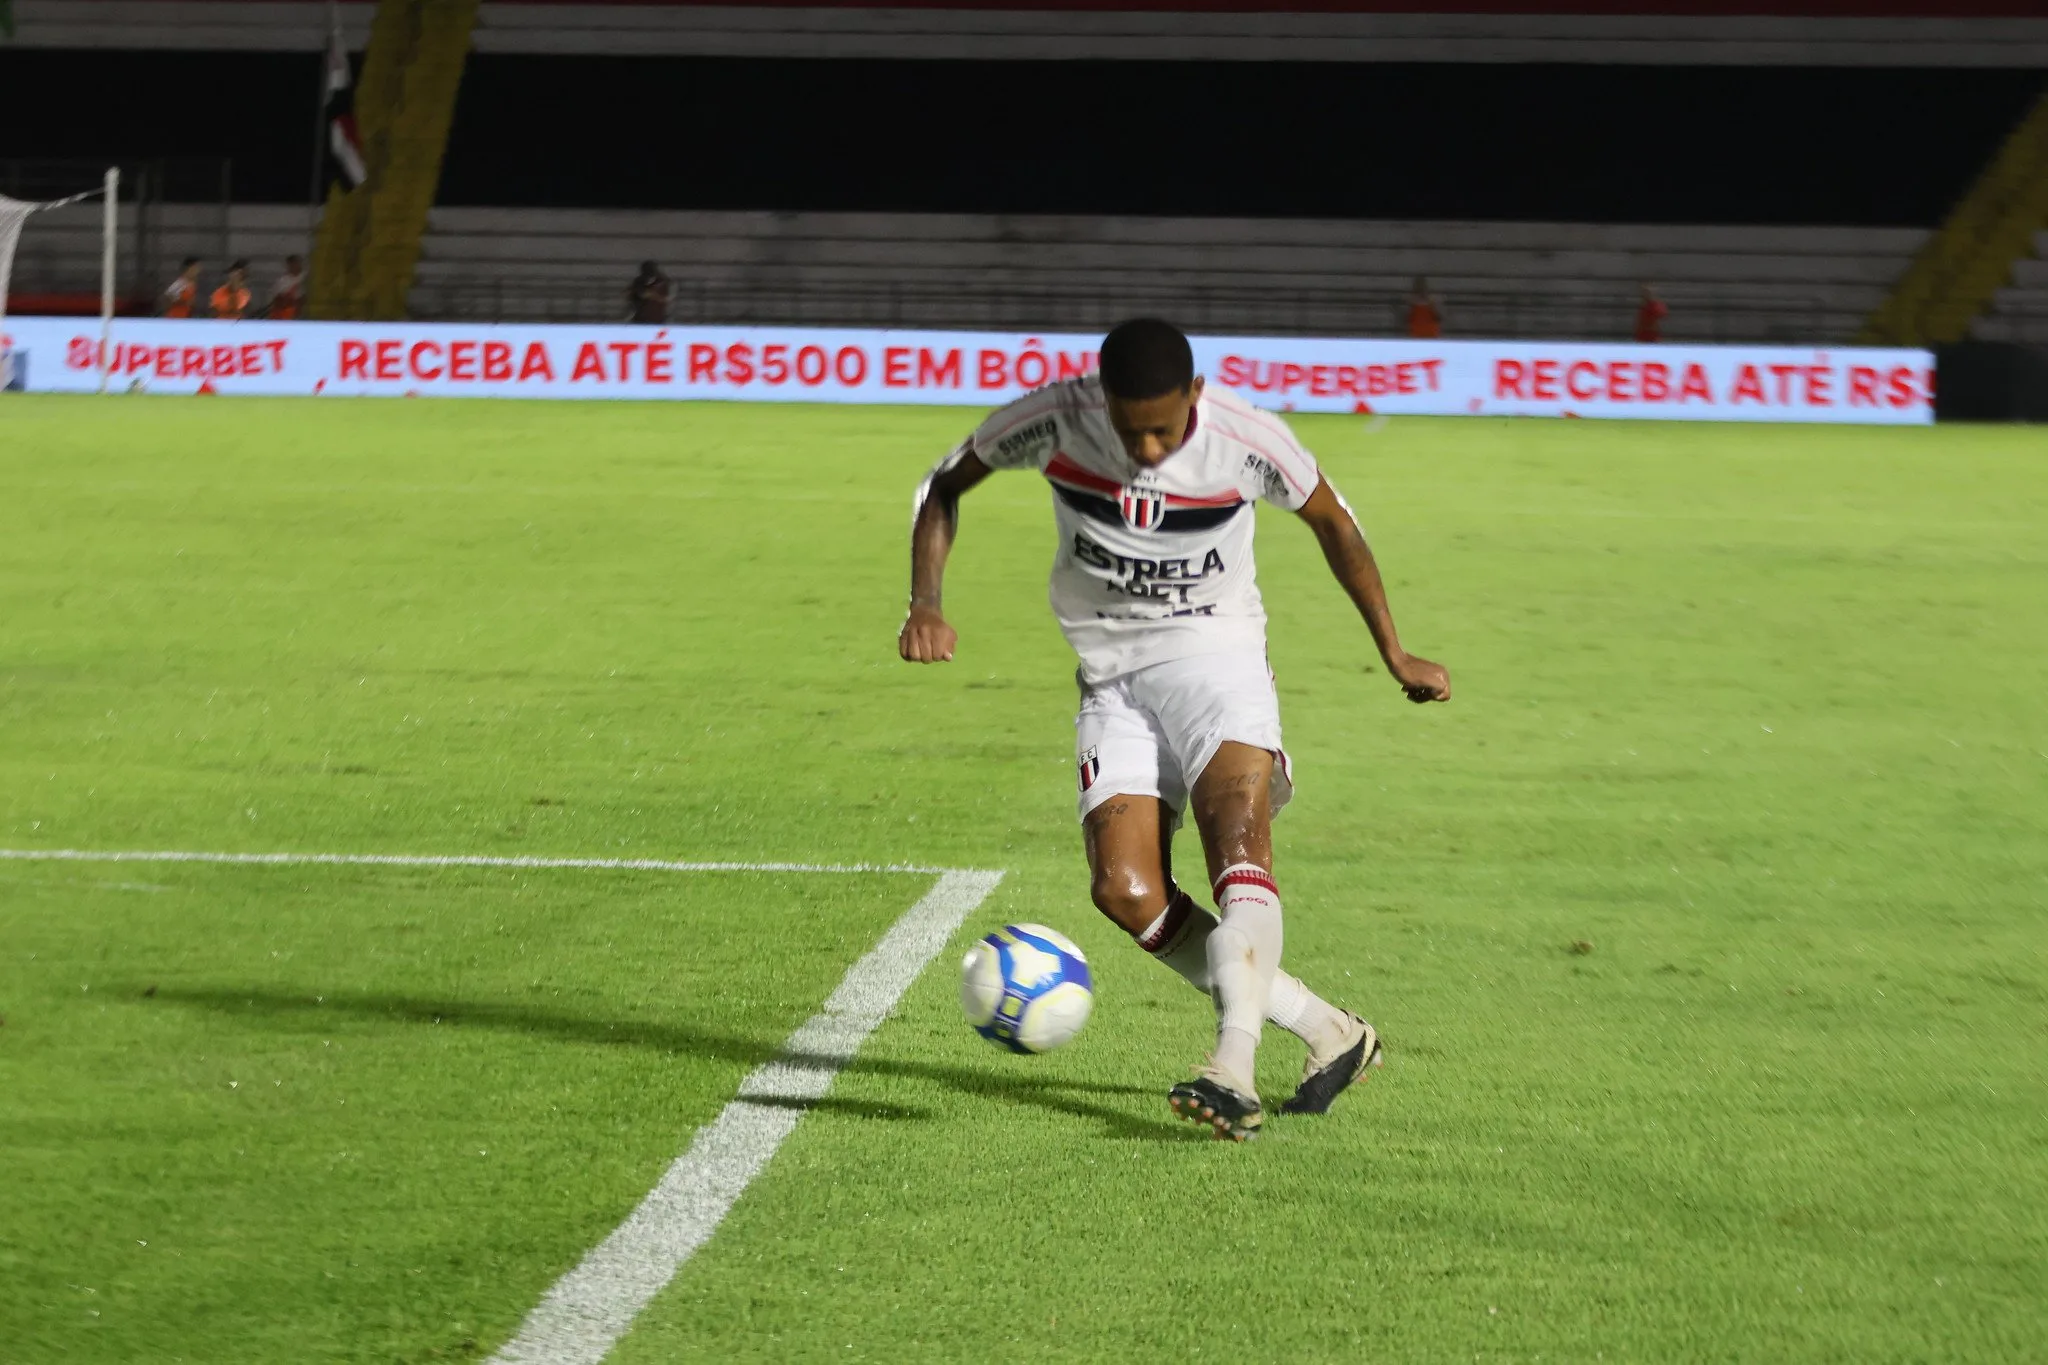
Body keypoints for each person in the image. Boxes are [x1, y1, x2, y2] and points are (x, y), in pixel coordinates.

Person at [899, 318, 1451, 1142]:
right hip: (1111, 678)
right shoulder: (1053, 417)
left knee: (1238, 859)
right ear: (1102, 400)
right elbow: (945, 483)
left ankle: (1232, 1065)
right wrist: (927, 602)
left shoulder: (1244, 438)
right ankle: (1332, 1030)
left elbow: (1335, 522)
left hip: (1216, 659)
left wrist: (1394, 650)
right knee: (1126, 891)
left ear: (1195, 394)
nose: (1149, 448)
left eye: (1164, 426)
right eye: (1132, 429)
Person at [266, 255, 306, 320]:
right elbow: (278, 299)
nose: (298, 266)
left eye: (299, 263)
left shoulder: (305, 278)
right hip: (285, 315)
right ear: (289, 265)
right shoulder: (283, 281)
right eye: (295, 263)